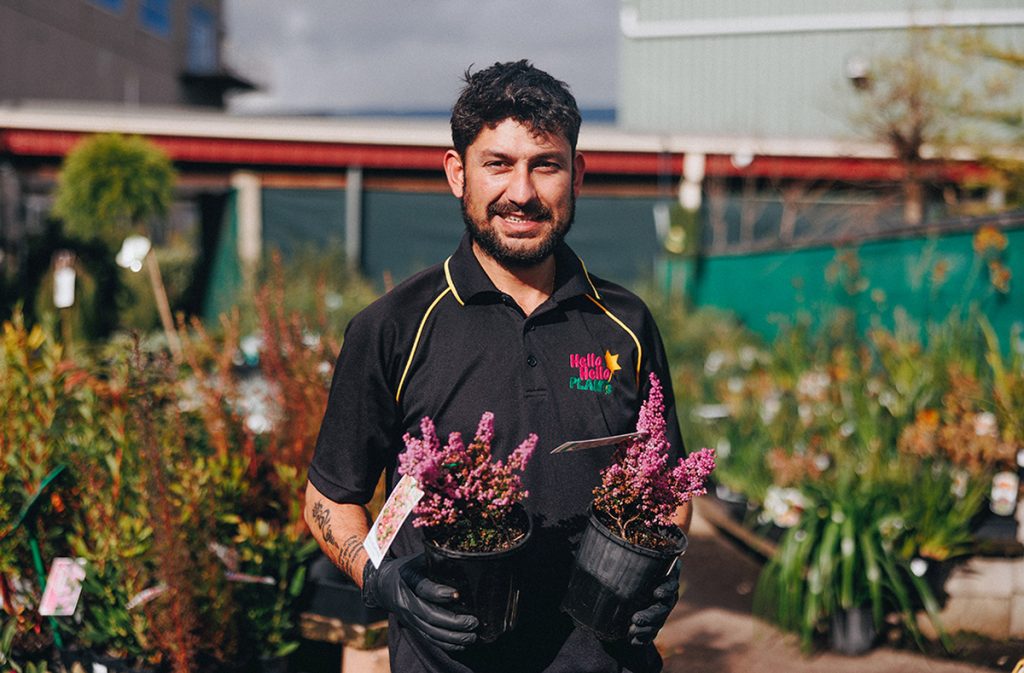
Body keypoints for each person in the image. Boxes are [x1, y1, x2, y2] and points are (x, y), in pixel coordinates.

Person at [305, 60, 691, 673]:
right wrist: (384, 580)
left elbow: (668, 484)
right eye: (498, 164)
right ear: (458, 174)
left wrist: (663, 563)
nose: (522, 192)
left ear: (577, 175)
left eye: (545, 165)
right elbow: (329, 498)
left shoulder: (625, 321)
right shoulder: (394, 327)